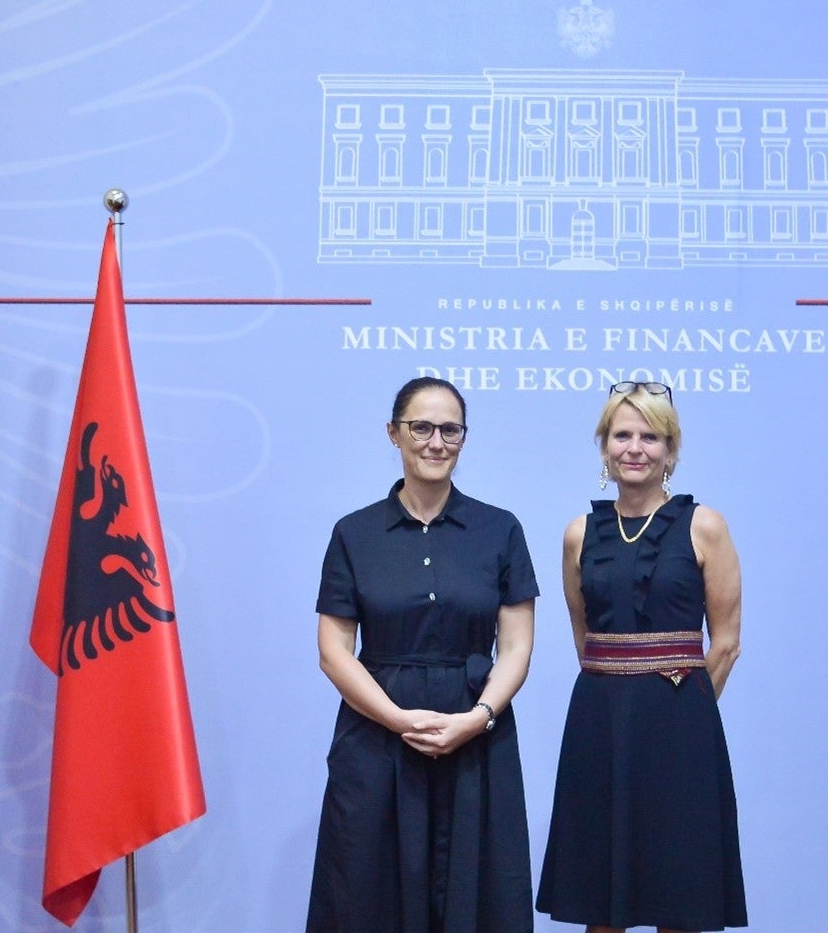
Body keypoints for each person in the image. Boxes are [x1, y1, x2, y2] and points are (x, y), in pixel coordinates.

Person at [307, 377, 539, 932]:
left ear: (464, 437)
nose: (437, 442)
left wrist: (477, 719)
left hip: (476, 736)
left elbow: (516, 645)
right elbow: (334, 651)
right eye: (422, 428)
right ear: (394, 433)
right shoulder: (354, 532)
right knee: (367, 892)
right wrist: (395, 718)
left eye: (450, 429)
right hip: (375, 737)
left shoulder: (500, 529)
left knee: (478, 895)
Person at [537, 381, 747, 933]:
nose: (635, 447)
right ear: (604, 446)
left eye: (650, 437)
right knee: (601, 901)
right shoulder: (578, 534)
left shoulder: (706, 526)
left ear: (671, 451)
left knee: (680, 896)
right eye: (622, 434)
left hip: (681, 730)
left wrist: (682, 709)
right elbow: (584, 636)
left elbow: (724, 642)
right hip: (599, 728)